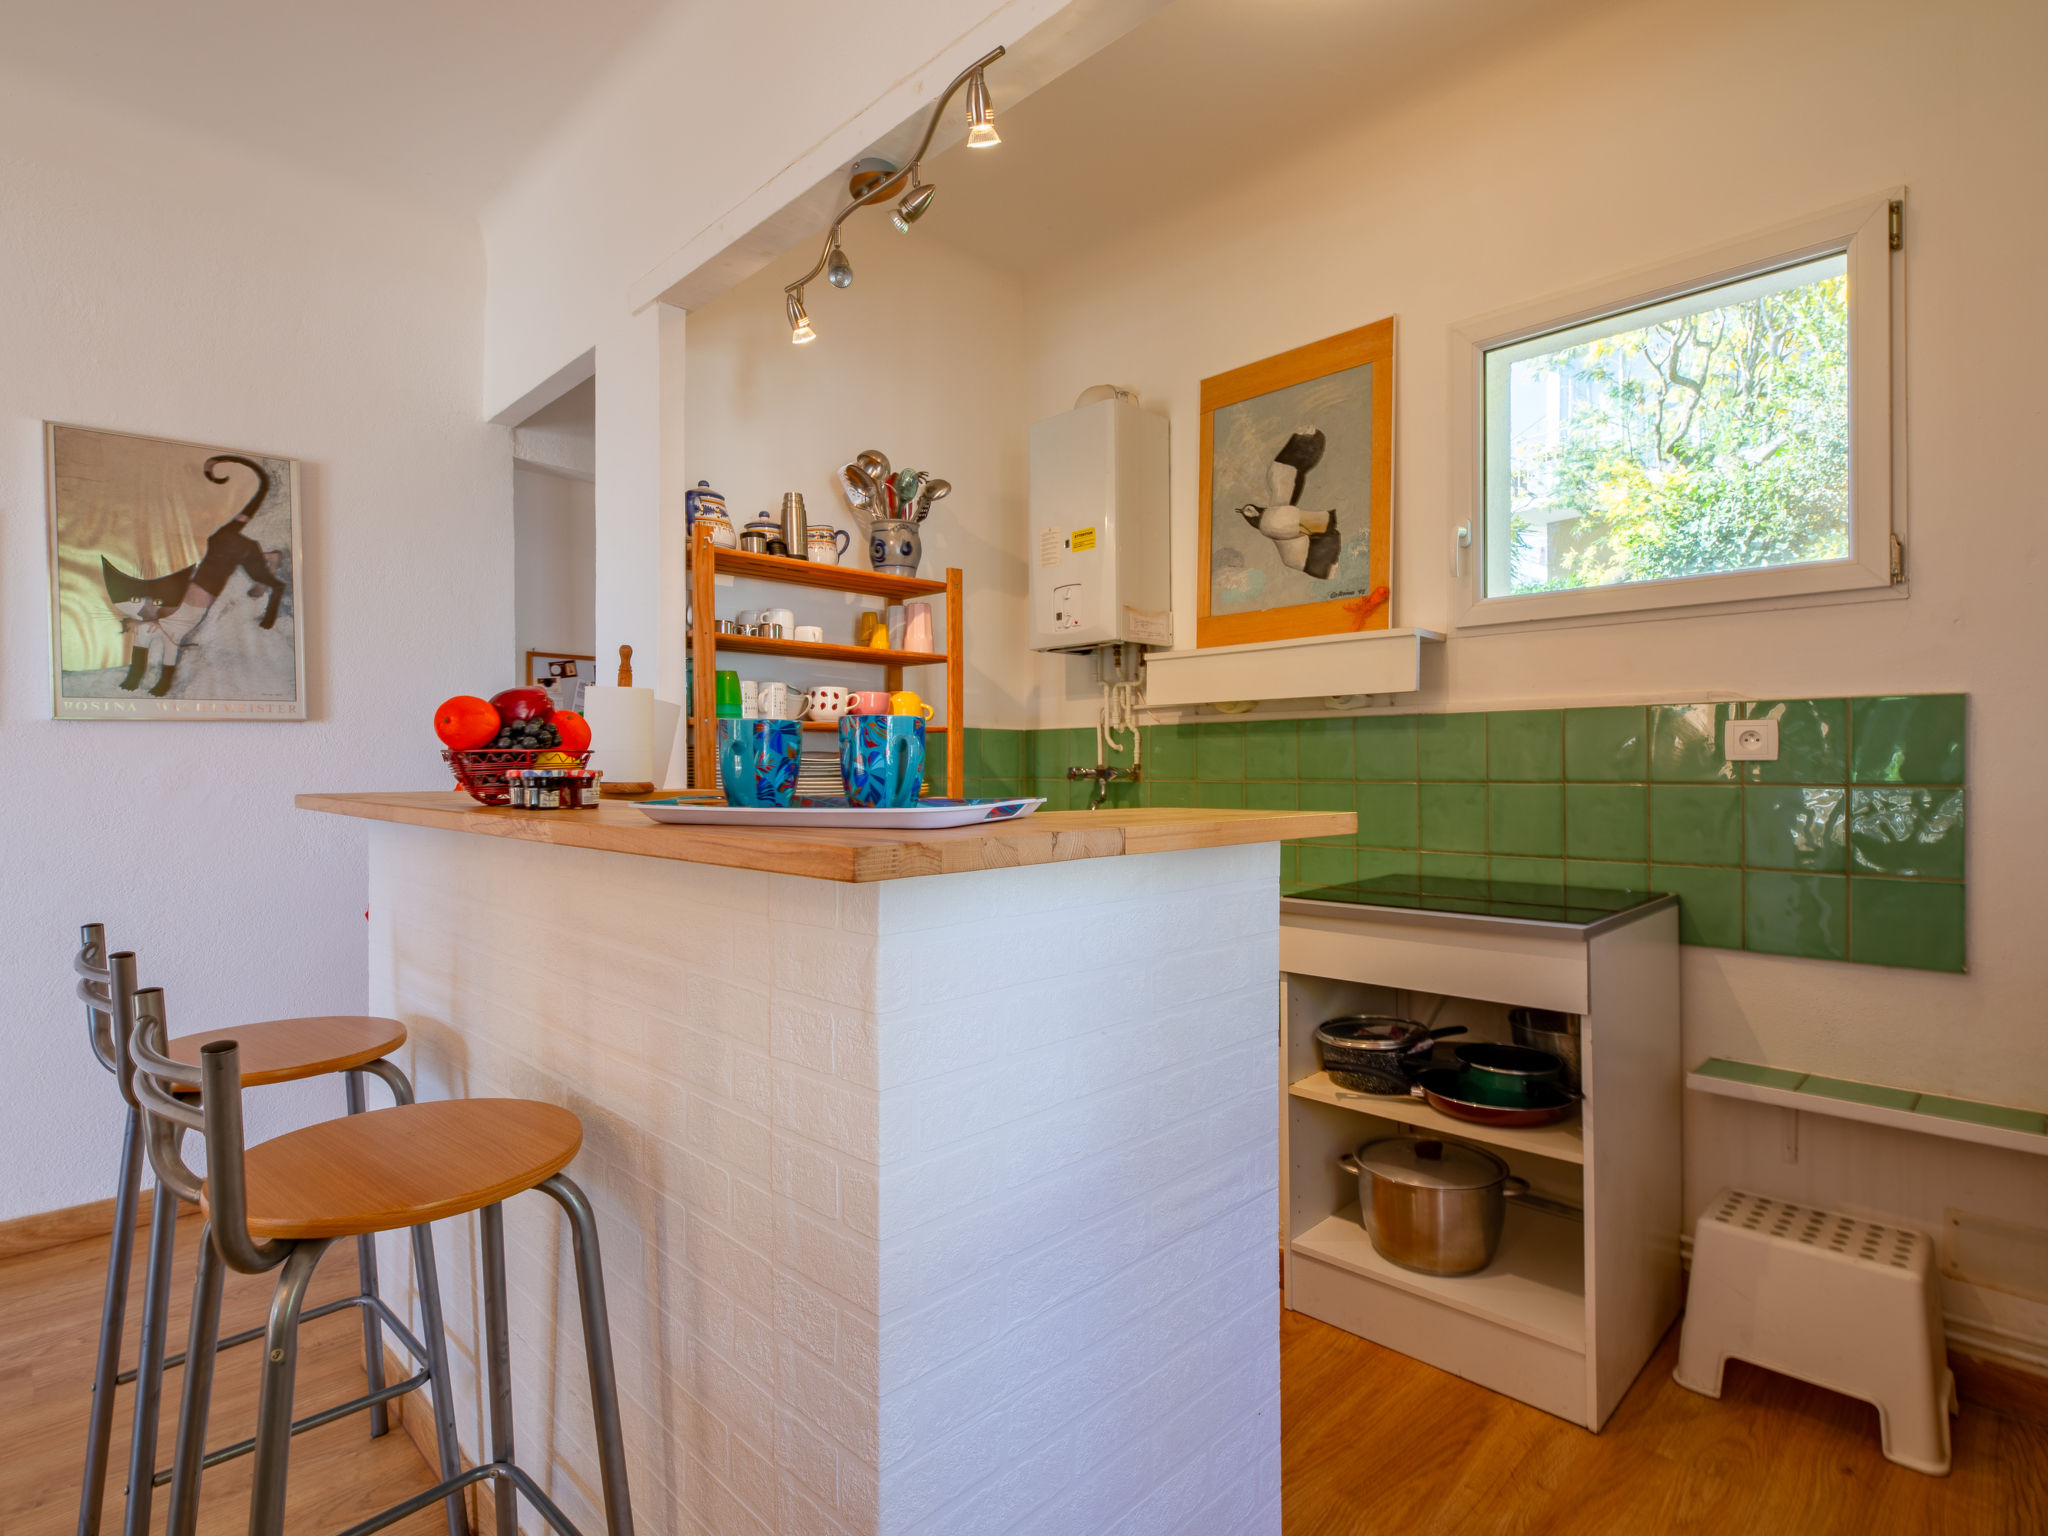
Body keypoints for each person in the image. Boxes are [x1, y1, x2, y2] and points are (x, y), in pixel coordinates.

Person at [100, 455, 286, 697]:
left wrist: (163, 683)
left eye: (146, 605)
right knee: (234, 554)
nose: (147, 607)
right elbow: (145, 632)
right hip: (221, 544)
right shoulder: (155, 616)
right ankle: (267, 558)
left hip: (227, 552)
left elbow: (170, 646)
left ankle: (272, 577)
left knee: (253, 570)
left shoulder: (173, 619)